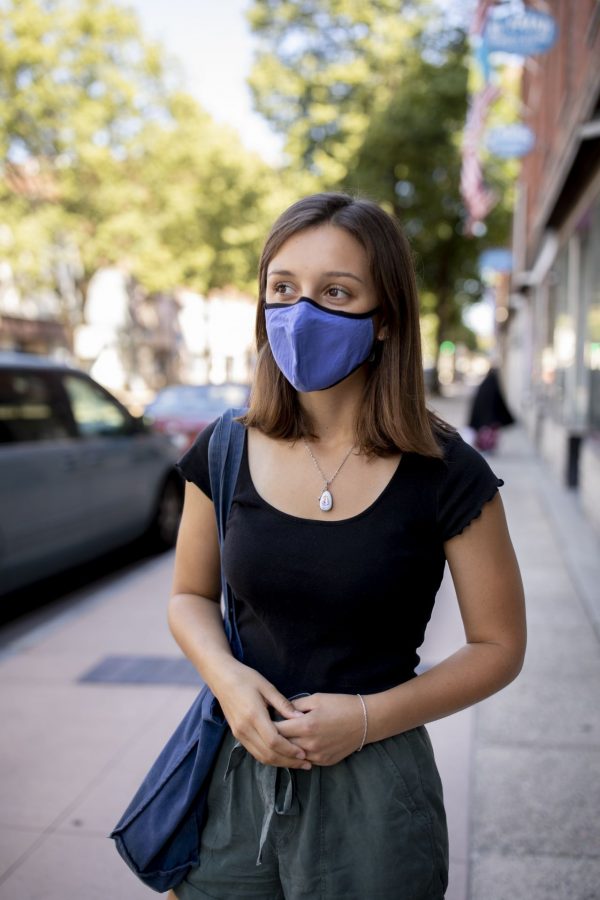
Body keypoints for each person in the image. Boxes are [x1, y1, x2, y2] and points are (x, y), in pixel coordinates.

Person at [167, 193, 526, 899]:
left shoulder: (448, 471)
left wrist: (363, 720)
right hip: (234, 777)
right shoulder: (224, 447)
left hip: (378, 794)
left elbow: (499, 647)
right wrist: (229, 682)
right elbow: (187, 595)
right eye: (283, 289)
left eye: (336, 292)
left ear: (385, 316)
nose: (301, 312)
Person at [468, 366, 515, 452]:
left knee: (486, 432)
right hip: (490, 418)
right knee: (488, 433)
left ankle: (486, 446)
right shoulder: (492, 384)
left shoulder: (485, 384)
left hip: (486, 417)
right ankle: (486, 446)